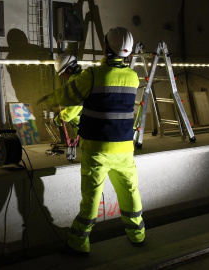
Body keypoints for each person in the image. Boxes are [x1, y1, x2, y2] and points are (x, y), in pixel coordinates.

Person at [45, 27, 145, 255]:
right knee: (130, 192)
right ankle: (138, 235)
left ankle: (78, 242)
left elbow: (70, 98)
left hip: (97, 149)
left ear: (105, 47)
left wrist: (51, 106)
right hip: (124, 150)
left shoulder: (93, 75)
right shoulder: (133, 77)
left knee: (91, 198)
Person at [52, 53, 83, 135]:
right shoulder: (85, 76)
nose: (63, 78)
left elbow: (71, 112)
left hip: (88, 129)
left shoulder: (76, 83)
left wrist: (57, 120)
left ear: (69, 71)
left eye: (62, 75)